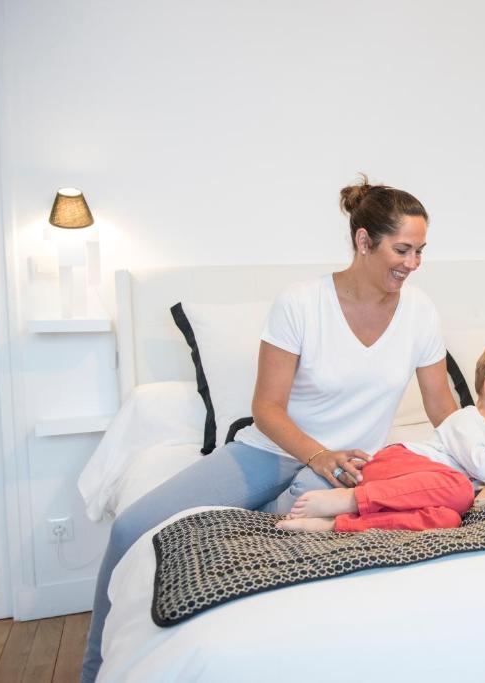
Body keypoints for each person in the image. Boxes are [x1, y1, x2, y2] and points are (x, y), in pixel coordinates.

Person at [81, 177, 459, 682]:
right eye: (403, 249)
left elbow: (441, 405)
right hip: (273, 453)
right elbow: (266, 407)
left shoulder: (420, 311)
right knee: (131, 527)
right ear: (364, 241)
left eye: (420, 251)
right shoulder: (301, 303)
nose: (413, 263)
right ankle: (89, 672)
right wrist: (319, 455)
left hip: (354, 467)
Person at [276, 339, 485, 532]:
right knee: (459, 488)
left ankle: (336, 525)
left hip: (414, 491)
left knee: (448, 519)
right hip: (399, 464)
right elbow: (482, 464)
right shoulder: (467, 421)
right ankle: (349, 498)